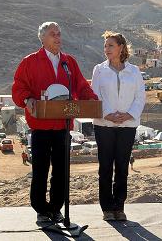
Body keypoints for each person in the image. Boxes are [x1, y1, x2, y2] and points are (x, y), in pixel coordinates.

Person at [12, 21, 98, 223]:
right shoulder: (30, 62)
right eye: (53, 34)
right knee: (40, 170)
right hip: (40, 128)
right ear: (42, 38)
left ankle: (56, 208)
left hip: (62, 127)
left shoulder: (69, 62)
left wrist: (91, 99)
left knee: (61, 171)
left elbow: (81, 86)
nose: (58, 38)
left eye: (59, 34)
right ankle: (41, 210)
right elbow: (19, 87)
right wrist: (28, 99)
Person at [91, 31, 146, 221]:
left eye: (111, 45)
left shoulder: (134, 71)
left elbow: (140, 97)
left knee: (122, 166)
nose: (106, 49)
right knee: (105, 166)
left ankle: (119, 207)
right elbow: (95, 95)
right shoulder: (99, 69)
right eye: (105, 46)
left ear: (121, 48)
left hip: (127, 125)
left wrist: (128, 115)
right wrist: (108, 114)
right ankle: (107, 208)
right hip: (104, 125)